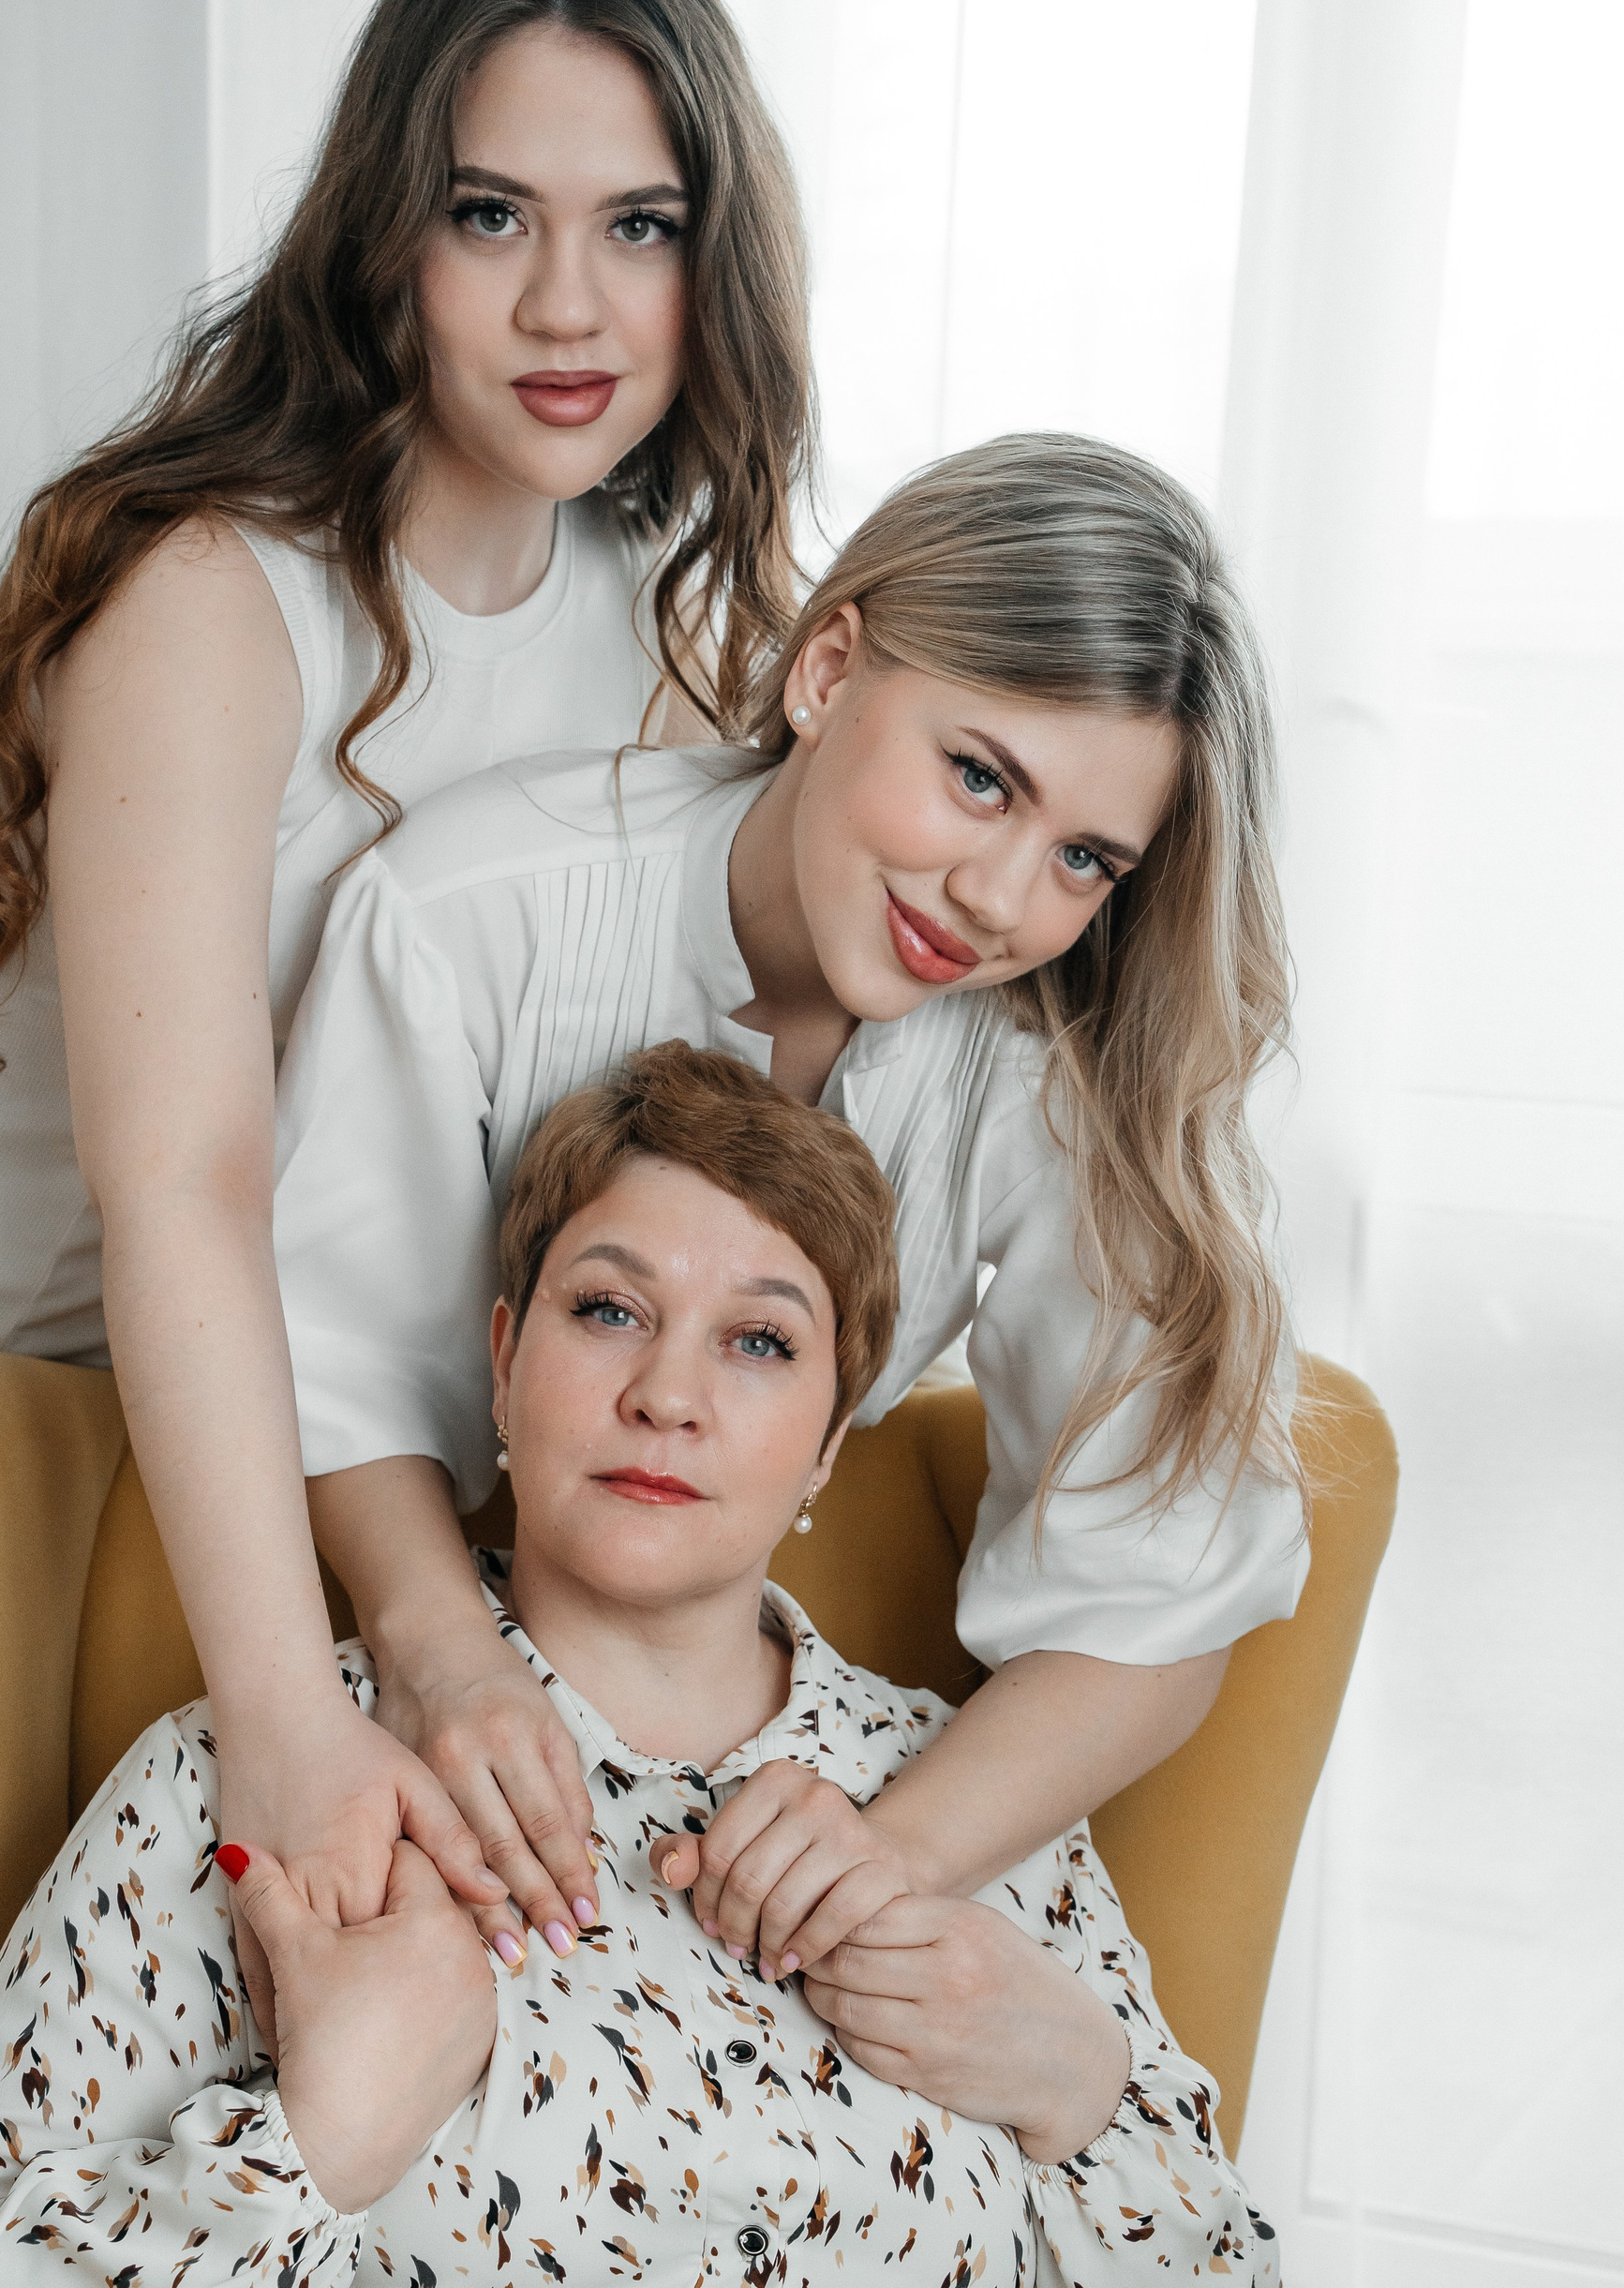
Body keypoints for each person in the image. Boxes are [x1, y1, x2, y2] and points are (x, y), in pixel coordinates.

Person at [0, 1045, 1283, 2288]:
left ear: (831, 1437)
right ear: (501, 1362)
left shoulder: (987, 1815)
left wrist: (1072, 2083)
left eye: (760, 1341)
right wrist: (315, 2144)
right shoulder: (270, 1768)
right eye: (608, 1310)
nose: (667, 1395)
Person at [0, 0, 810, 1925]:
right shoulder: (217, 600)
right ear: (386, 238)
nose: (569, 305)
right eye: (490, 214)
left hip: (162, 1396)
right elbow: (188, 1182)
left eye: (639, 226)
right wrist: (291, 1707)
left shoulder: (670, 646)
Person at [270, 432, 1309, 1973]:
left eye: (1086, 858)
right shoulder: (469, 909)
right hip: (396, 1647)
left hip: (764, 1719)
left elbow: (1161, 1579)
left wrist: (886, 1857)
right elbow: (331, 1364)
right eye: (978, 778)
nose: (999, 901)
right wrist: (446, 1664)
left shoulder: (1063, 1068)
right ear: (828, 669)